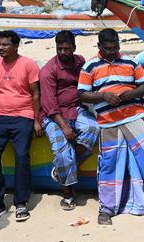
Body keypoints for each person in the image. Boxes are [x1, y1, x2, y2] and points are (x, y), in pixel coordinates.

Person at [77, 28, 144, 224]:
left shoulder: (131, 62)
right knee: (109, 163)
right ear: (99, 47)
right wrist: (103, 96)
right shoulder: (89, 67)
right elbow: (82, 94)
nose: (112, 52)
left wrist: (131, 94)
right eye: (108, 49)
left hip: (134, 116)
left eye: (115, 48)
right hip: (109, 121)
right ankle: (107, 209)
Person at [0, 30, 42, 223]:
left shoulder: (28, 64)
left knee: (22, 157)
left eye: (5, 45)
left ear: (16, 46)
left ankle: (21, 202)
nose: (1, 48)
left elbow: (36, 94)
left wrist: (36, 120)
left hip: (23, 115)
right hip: (0, 116)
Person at [40, 30, 99, 211]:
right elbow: (49, 105)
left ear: (74, 48)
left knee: (92, 128)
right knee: (62, 153)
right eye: (60, 49)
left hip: (77, 109)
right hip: (54, 116)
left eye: (67, 49)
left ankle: (64, 168)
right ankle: (67, 194)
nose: (63, 52)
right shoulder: (48, 70)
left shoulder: (80, 61)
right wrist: (64, 126)